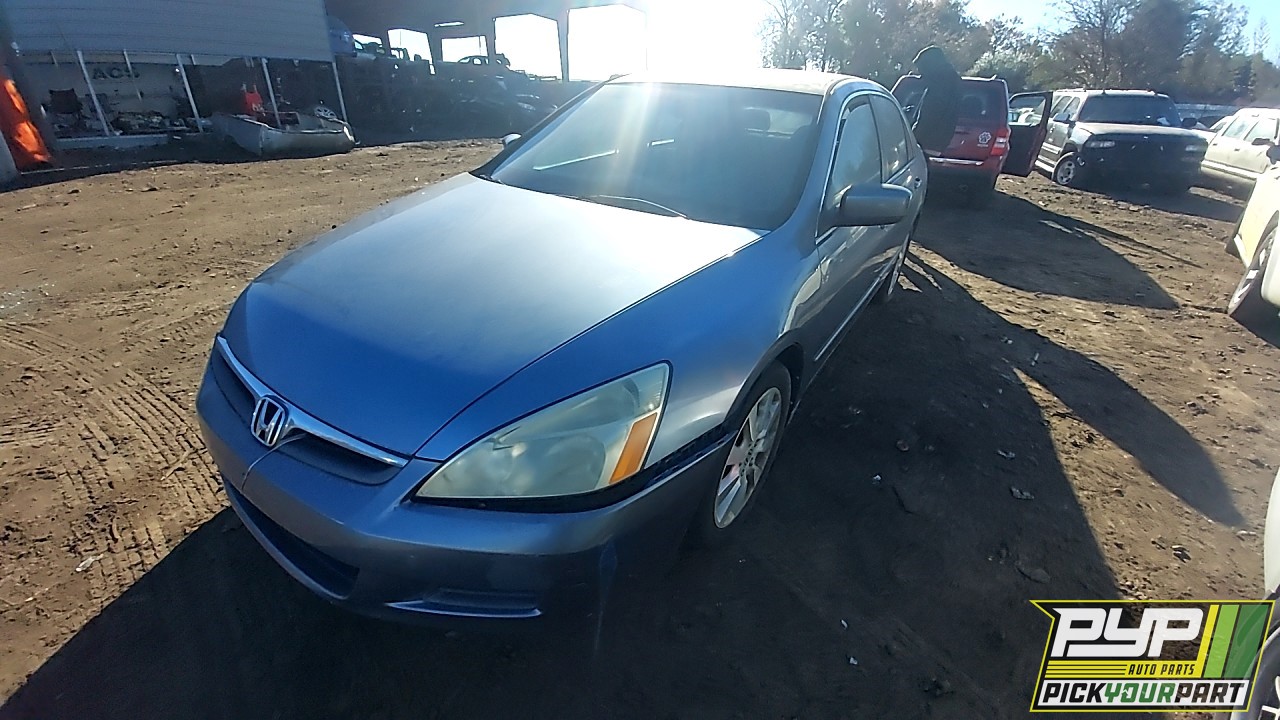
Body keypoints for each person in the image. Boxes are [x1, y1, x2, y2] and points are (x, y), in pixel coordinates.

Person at [909, 45, 961, 155]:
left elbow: (928, 117)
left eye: (921, 70)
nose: (920, 75)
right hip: (939, 143)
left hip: (925, 143)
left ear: (929, 67)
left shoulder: (939, 87)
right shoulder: (951, 84)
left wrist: (911, 140)